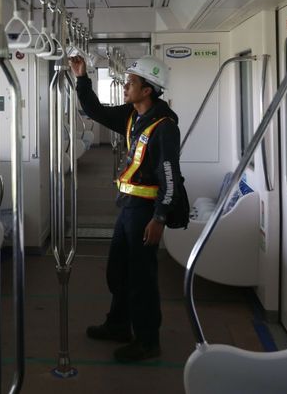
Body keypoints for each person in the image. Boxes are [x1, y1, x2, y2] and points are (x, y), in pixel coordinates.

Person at [68, 54, 182, 362]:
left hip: (145, 212)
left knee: (141, 277)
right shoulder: (133, 115)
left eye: (131, 82)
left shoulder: (165, 127)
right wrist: (81, 77)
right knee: (119, 271)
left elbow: (169, 177)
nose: (125, 86)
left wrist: (159, 218)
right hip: (128, 207)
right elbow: (94, 110)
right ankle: (118, 325)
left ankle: (147, 341)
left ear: (148, 90)